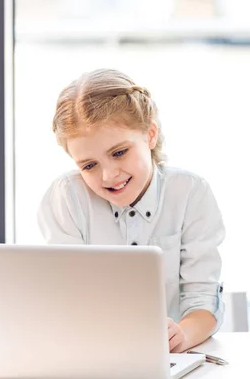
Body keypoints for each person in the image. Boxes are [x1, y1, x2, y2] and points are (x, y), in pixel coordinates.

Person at [37, 68, 225, 352]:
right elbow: (66, 297)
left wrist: (183, 335)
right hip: (91, 356)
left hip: (172, 359)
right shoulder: (65, 198)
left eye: (119, 152)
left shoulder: (190, 193)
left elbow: (203, 301)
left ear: (150, 135)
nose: (108, 176)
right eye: (89, 165)